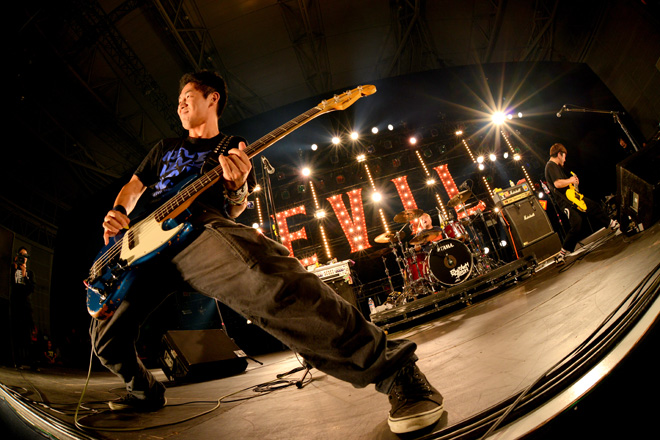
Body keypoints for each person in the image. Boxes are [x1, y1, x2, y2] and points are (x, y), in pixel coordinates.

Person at [91, 71, 444, 434]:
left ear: (213, 98)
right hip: (142, 247)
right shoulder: (164, 148)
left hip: (197, 230)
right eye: (178, 99)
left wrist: (237, 187)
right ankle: (143, 391)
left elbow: (235, 208)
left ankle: (397, 373)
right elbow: (134, 187)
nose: (179, 104)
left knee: (271, 282)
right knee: (105, 337)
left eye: (187, 96)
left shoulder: (231, 146)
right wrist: (118, 212)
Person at [544, 143, 619, 264]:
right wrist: (571, 180)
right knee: (577, 223)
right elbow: (557, 184)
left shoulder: (555, 167)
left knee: (592, 208)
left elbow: (564, 184)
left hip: (572, 198)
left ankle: (612, 223)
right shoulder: (550, 166)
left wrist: (573, 183)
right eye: (564, 157)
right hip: (565, 202)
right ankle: (562, 253)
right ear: (559, 154)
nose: (565, 160)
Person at [10, 247, 36, 368]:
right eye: (21, 255)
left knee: (27, 335)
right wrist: (15, 269)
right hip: (15, 305)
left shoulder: (30, 273)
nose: (23, 258)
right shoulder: (12, 270)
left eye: (25, 256)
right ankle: (17, 361)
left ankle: (31, 361)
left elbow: (31, 289)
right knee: (15, 334)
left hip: (26, 307)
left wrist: (25, 275)